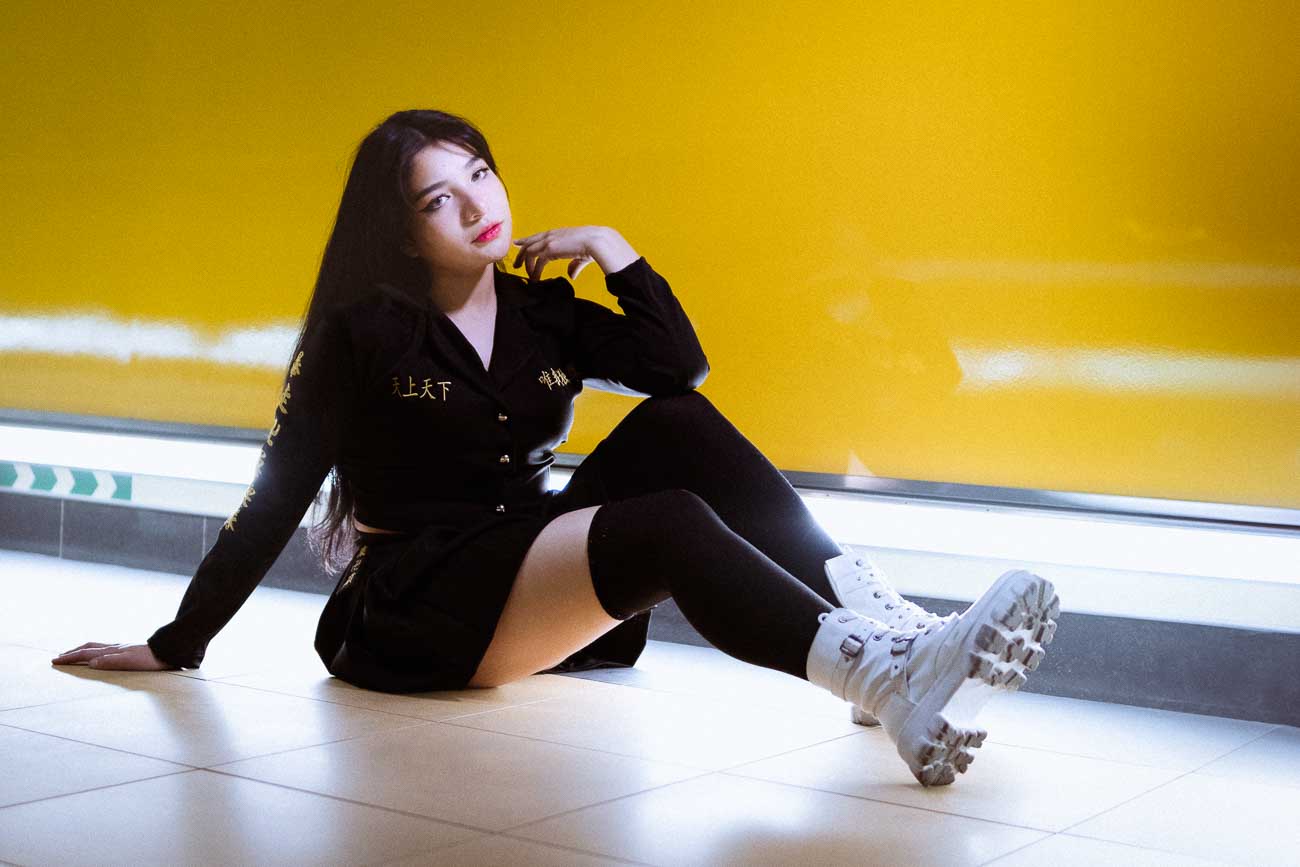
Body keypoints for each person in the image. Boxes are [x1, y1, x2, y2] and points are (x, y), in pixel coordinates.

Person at [51, 109, 1059, 787]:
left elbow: (677, 370)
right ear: (402, 232)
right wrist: (178, 641)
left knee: (675, 426)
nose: (477, 204)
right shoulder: (363, 334)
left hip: (526, 565)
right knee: (667, 522)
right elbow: (274, 493)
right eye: (439, 199)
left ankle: (886, 631)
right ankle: (885, 678)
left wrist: (610, 247)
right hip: (418, 600)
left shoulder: (544, 313)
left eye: (480, 173)